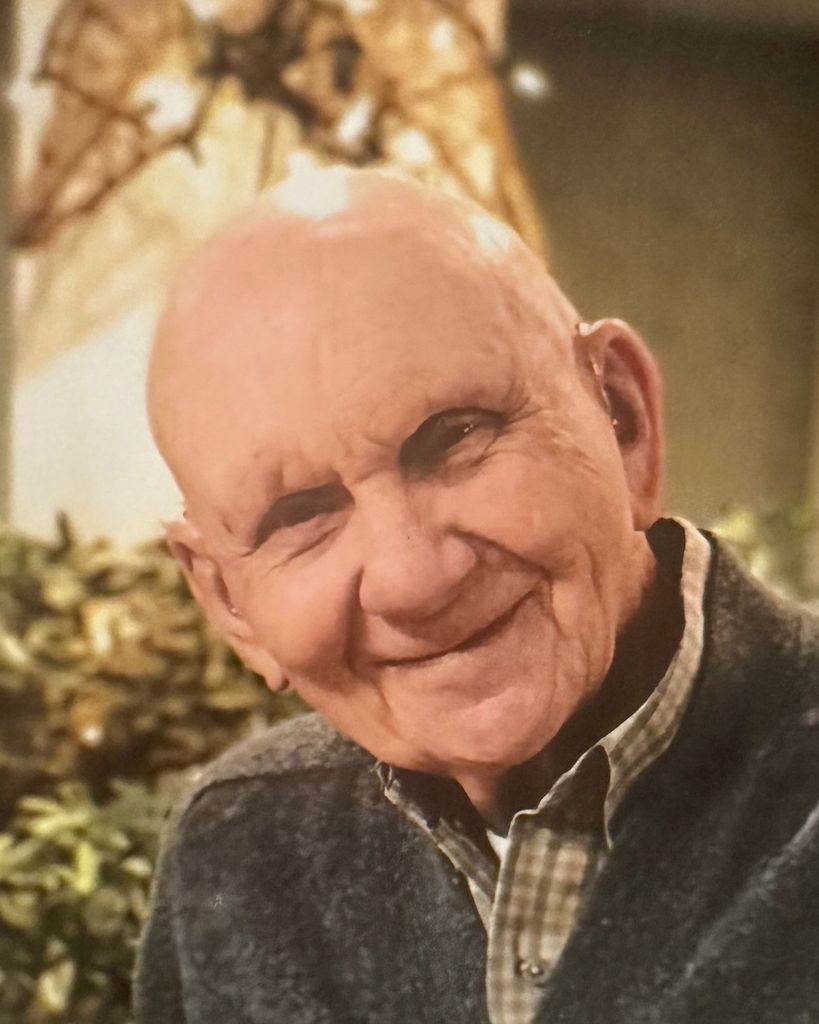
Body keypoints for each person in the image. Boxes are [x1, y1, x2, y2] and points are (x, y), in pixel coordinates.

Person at [135, 167, 819, 1024]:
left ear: (621, 419)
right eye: (300, 515)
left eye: (455, 437)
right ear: (229, 603)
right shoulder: (241, 845)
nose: (413, 578)